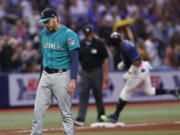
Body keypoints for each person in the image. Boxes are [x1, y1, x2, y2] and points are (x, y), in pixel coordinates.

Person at [101, 32, 180, 123]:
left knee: (125, 92)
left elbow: (137, 61)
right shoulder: (124, 44)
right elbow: (130, 58)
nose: (111, 46)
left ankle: (115, 116)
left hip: (139, 71)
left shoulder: (127, 47)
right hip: (143, 69)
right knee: (149, 91)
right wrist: (124, 63)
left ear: (116, 43)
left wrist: (130, 72)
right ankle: (174, 91)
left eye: (112, 44)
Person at [31, 8, 80, 135]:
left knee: (65, 113)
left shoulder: (69, 34)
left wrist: (73, 79)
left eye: (47, 21)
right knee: (38, 111)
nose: (45, 24)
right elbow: (44, 56)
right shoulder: (43, 33)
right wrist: (41, 77)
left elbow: (75, 59)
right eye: (44, 22)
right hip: (46, 75)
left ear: (55, 18)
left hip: (62, 75)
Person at [74, 25, 109, 126]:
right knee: (82, 94)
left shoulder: (99, 43)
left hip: (97, 71)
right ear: (84, 35)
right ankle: (80, 119)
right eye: (86, 34)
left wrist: (106, 74)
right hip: (84, 72)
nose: (88, 36)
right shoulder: (80, 44)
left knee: (98, 94)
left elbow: (105, 59)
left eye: (89, 34)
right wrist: (75, 73)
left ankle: (101, 117)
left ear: (93, 33)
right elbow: (77, 60)